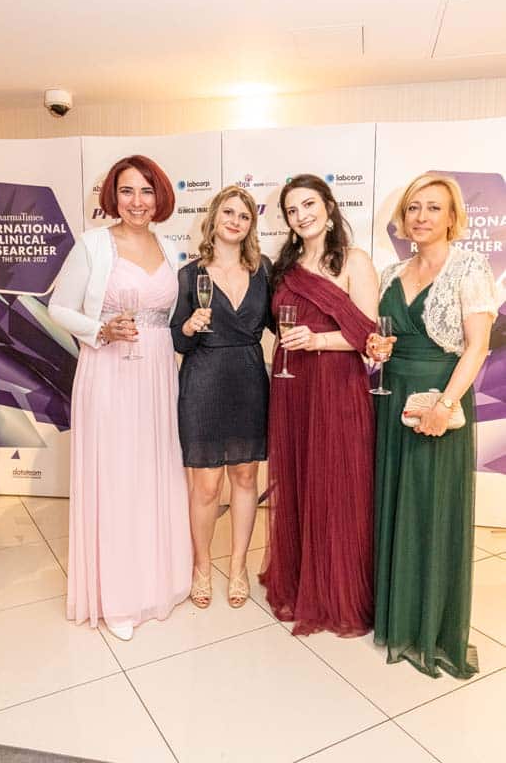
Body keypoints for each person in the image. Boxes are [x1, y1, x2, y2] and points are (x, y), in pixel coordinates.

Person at [48, 154, 192, 641]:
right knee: (116, 475)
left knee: (153, 470)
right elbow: (59, 307)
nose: (137, 201)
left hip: (157, 371)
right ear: (113, 195)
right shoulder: (93, 244)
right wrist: (100, 329)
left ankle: (160, 581)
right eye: (127, 191)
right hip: (109, 369)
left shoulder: (169, 246)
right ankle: (119, 598)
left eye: (147, 191)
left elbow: (170, 316)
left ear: (160, 197)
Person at [371, 173, 497, 678]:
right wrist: (378, 348)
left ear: (452, 217)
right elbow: (387, 340)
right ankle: (397, 617)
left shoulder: (470, 267)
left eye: (433, 208)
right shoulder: (390, 272)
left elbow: (477, 347)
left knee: (432, 506)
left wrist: (445, 405)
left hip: (438, 400)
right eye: (414, 207)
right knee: (397, 501)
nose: (421, 217)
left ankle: (432, 628)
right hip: (392, 399)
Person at [259, 173, 378, 636]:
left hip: (338, 384)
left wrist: (318, 340)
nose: (301, 215)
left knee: (338, 483)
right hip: (293, 385)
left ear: (328, 207)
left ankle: (337, 591)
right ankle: (301, 578)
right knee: (299, 479)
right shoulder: (284, 269)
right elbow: (276, 326)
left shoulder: (354, 260)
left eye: (309, 204)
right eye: (292, 210)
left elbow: (368, 335)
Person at [171, 185, 273, 609]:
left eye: (244, 216)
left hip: (248, 381)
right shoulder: (189, 274)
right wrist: (189, 326)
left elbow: (281, 323)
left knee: (246, 478)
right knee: (207, 485)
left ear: (251, 225)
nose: (235, 221)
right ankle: (201, 566)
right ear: (213, 218)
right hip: (204, 382)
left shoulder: (263, 269)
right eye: (228, 212)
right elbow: (178, 340)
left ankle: (237, 567)